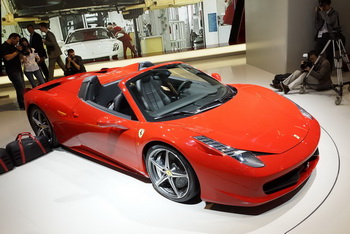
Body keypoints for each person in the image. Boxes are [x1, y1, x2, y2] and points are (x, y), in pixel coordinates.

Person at [0, 33, 25, 110]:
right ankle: (22, 105)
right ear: (12, 38)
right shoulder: (4, 46)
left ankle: (23, 103)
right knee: (20, 87)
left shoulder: (13, 46)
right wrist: (17, 51)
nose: (17, 42)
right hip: (12, 70)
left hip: (18, 68)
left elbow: (17, 56)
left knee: (22, 87)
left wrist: (20, 52)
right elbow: (7, 57)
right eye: (16, 41)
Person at [314, 0, 339, 68]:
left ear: (328, 5)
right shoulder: (320, 12)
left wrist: (322, 12)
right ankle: (314, 69)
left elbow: (329, 21)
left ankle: (328, 72)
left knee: (329, 55)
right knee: (316, 53)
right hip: (320, 35)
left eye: (324, 5)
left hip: (329, 35)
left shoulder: (334, 13)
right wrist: (317, 13)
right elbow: (316, 23)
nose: (323, 7)